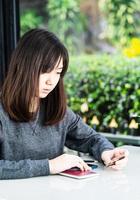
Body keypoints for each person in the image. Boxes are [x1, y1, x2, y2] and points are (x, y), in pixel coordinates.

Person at [0, 28, 128, 179]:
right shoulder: (2, 112)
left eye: (58, 72)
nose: (51, 81)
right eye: (45, 70)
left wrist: (106, 152)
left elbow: (90, 138)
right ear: (24, 67)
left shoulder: (57, 111)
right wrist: (50, 165)